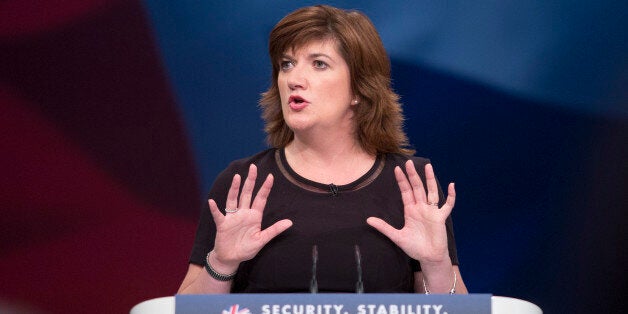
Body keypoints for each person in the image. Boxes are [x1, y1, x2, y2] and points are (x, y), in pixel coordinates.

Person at [178, 5, 467, 294]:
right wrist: (222, 263)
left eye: (318, 64)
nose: (293, 79)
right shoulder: (242, 183)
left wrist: (435, 264)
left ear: (358, 88)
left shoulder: (412, 184)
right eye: (286, 64)